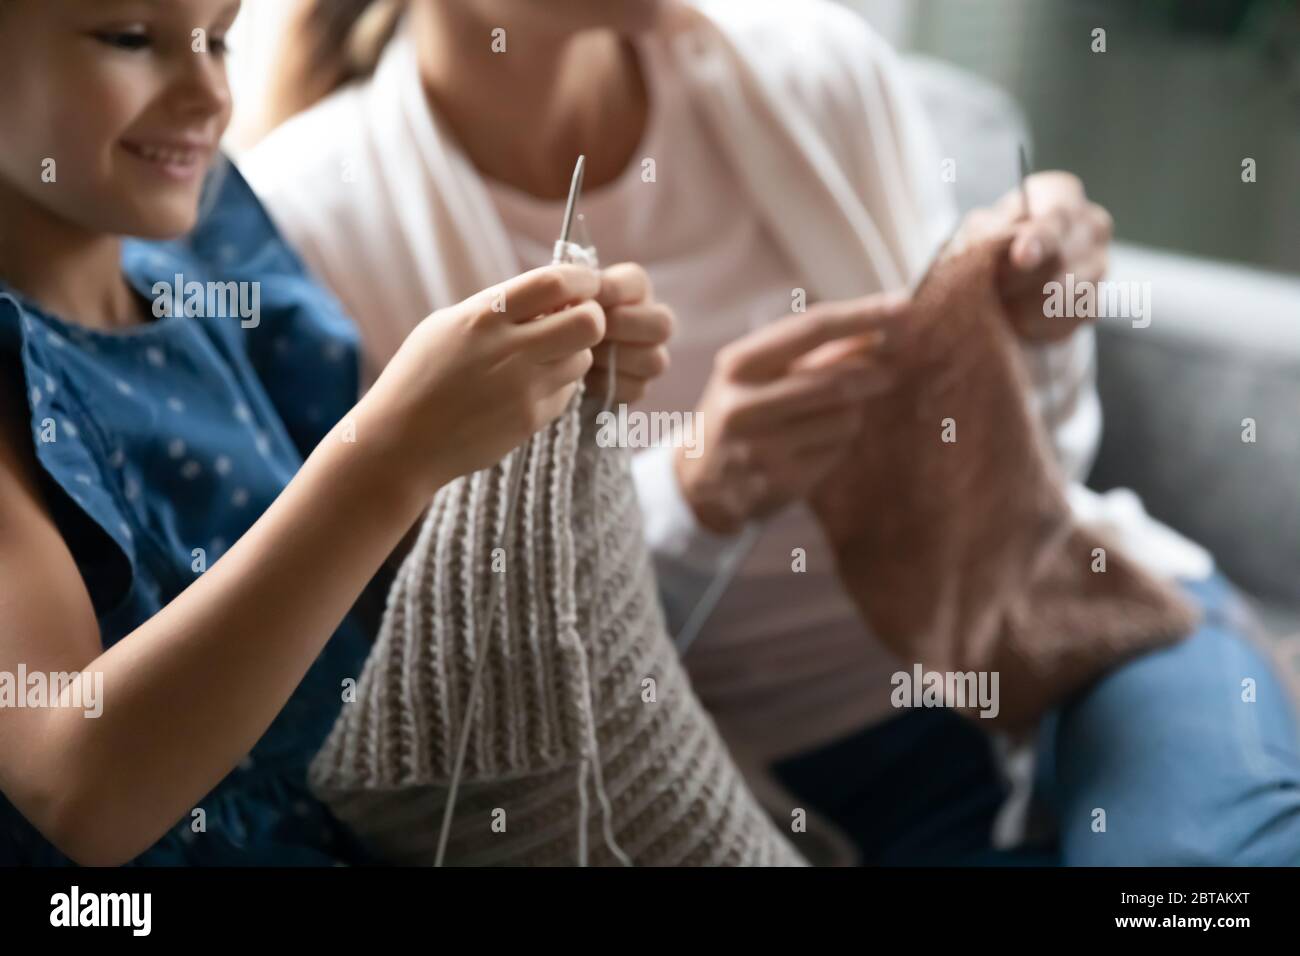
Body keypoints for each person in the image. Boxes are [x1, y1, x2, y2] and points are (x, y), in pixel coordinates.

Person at [247, 0, 1300, 864]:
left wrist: (1036, 336)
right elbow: (454, 680)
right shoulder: (310, 221)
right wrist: (694, 495)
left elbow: (1030, 477)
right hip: (770, 764)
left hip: (1076, 625)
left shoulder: (815, 66)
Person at [0, 0, 671, 865]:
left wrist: (527, 405)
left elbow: (363, 582)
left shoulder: (212, 270)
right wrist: (392, 453)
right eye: (130, 39)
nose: (207, 92)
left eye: (218, 39)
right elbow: (80, 792)